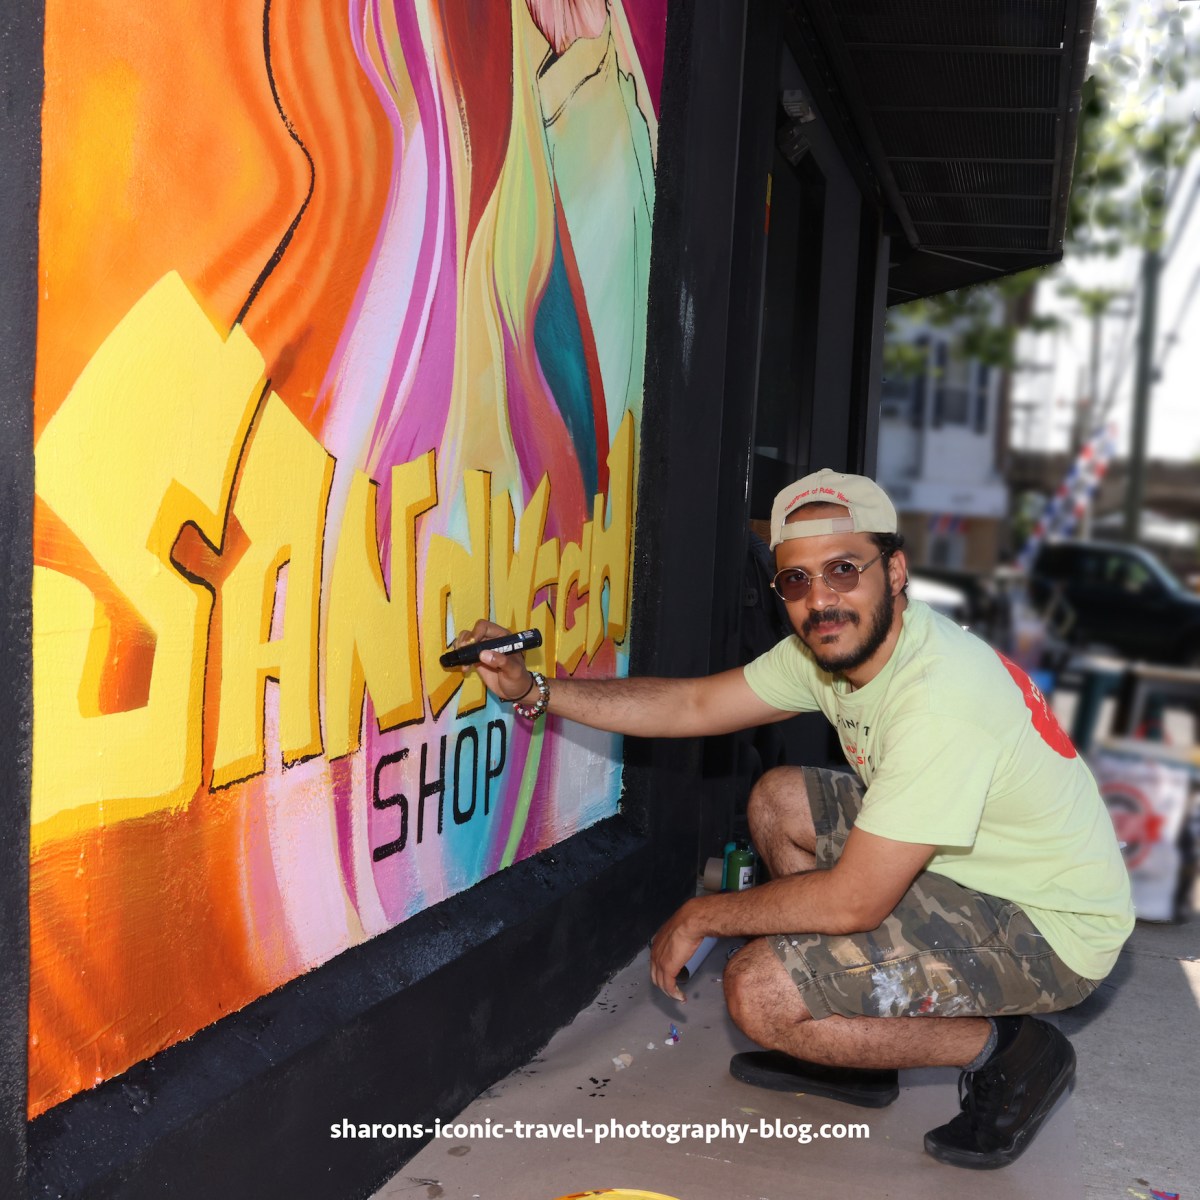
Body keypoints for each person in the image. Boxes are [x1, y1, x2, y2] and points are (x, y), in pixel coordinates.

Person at [453, 468, 1134, 1170]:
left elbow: (854, 900)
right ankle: (859, 1050)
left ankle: (1015, 1051)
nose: (821, 599)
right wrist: (532, 688)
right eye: (796, 581)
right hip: (971, 866)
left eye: (844, 569)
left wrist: (702, 915)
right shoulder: (836, 651)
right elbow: (691, 707)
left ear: (894, 570)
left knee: (760, 995)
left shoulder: (940, 699)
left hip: (1048, 925)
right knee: (779, 799)